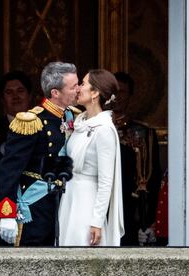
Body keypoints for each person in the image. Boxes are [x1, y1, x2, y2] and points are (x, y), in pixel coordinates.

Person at [0, 61, 80, 246]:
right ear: (55, 93)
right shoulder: (31, 121)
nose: (79, 89)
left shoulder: (73, 117)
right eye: (74, 86)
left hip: (64, 205)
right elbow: (9, 169)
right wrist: (7, 213)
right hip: (35, 206)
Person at [58, 69, 124, 246]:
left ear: (95, 93)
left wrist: (96, 220)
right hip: (70, 197)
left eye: (83, 84)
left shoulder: (104, 129)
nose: (78, 88)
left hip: (87, 202)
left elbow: (105, 180)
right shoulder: (80, 122)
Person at [113, 72, 161, 246]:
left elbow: (153, 180)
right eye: (113, 91)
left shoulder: (143, 134)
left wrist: (149, 221)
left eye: (122, 92)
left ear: (130, 96)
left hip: (131, 209)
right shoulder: (92, 129)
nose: (116, 97)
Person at [0, 70, 32, 157]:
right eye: (9, 92)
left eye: (20, 91)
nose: (15, 96)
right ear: (2, 100)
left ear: (29, 97)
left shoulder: (45, 127)